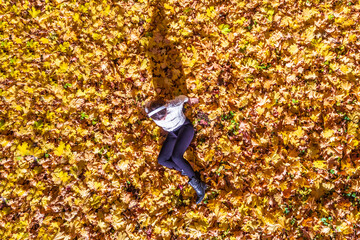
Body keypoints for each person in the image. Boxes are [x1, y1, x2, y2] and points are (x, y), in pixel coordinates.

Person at [144, 95, 208, 204]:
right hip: (173, 133)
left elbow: (183, 97)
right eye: (159, 119)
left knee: (176, 156)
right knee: (162, 160)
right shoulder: (149, 111)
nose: (162, 120)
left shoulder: (174, 105)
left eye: (163, 116)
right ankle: (189, 171)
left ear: (165, 109)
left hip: (184, 128)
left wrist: (190, 100)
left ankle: (198, 187)